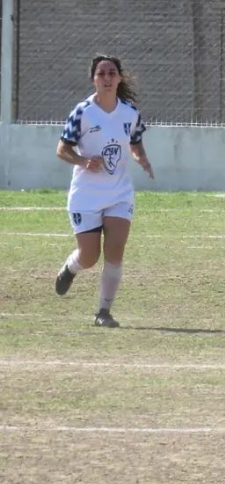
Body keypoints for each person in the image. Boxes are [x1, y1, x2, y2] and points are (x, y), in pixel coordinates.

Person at [55, 55, 154, 328]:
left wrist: (141, 158)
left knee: (115, 251)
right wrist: (82, 161)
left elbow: (135, 142)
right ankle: (71, 267)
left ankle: (103, 311)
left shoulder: (130, 113)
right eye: (102, 74)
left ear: (120, 78)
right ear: (94, 80)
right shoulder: (83, 112)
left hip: (119, 192)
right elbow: (62, 149)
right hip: (86, 194)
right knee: (89, 257)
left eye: (112, 73)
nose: (107, 78)